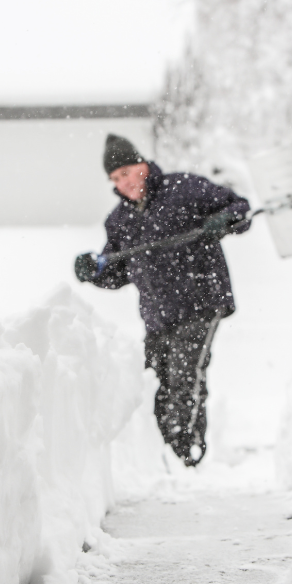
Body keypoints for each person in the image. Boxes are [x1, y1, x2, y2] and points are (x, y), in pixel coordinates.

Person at [74, 134, 251, 467]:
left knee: (185, 374)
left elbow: (239, 208)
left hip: (201, 300)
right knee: (155, 379)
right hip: (158, 314)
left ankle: (188, 449)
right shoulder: (119, 221)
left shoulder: (184, 188)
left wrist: (223, 220)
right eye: (114, 178)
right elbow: (116, 271)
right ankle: (162, 454)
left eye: (126, 173)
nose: (122, 183)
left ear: (142, 165)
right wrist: (93, 270)